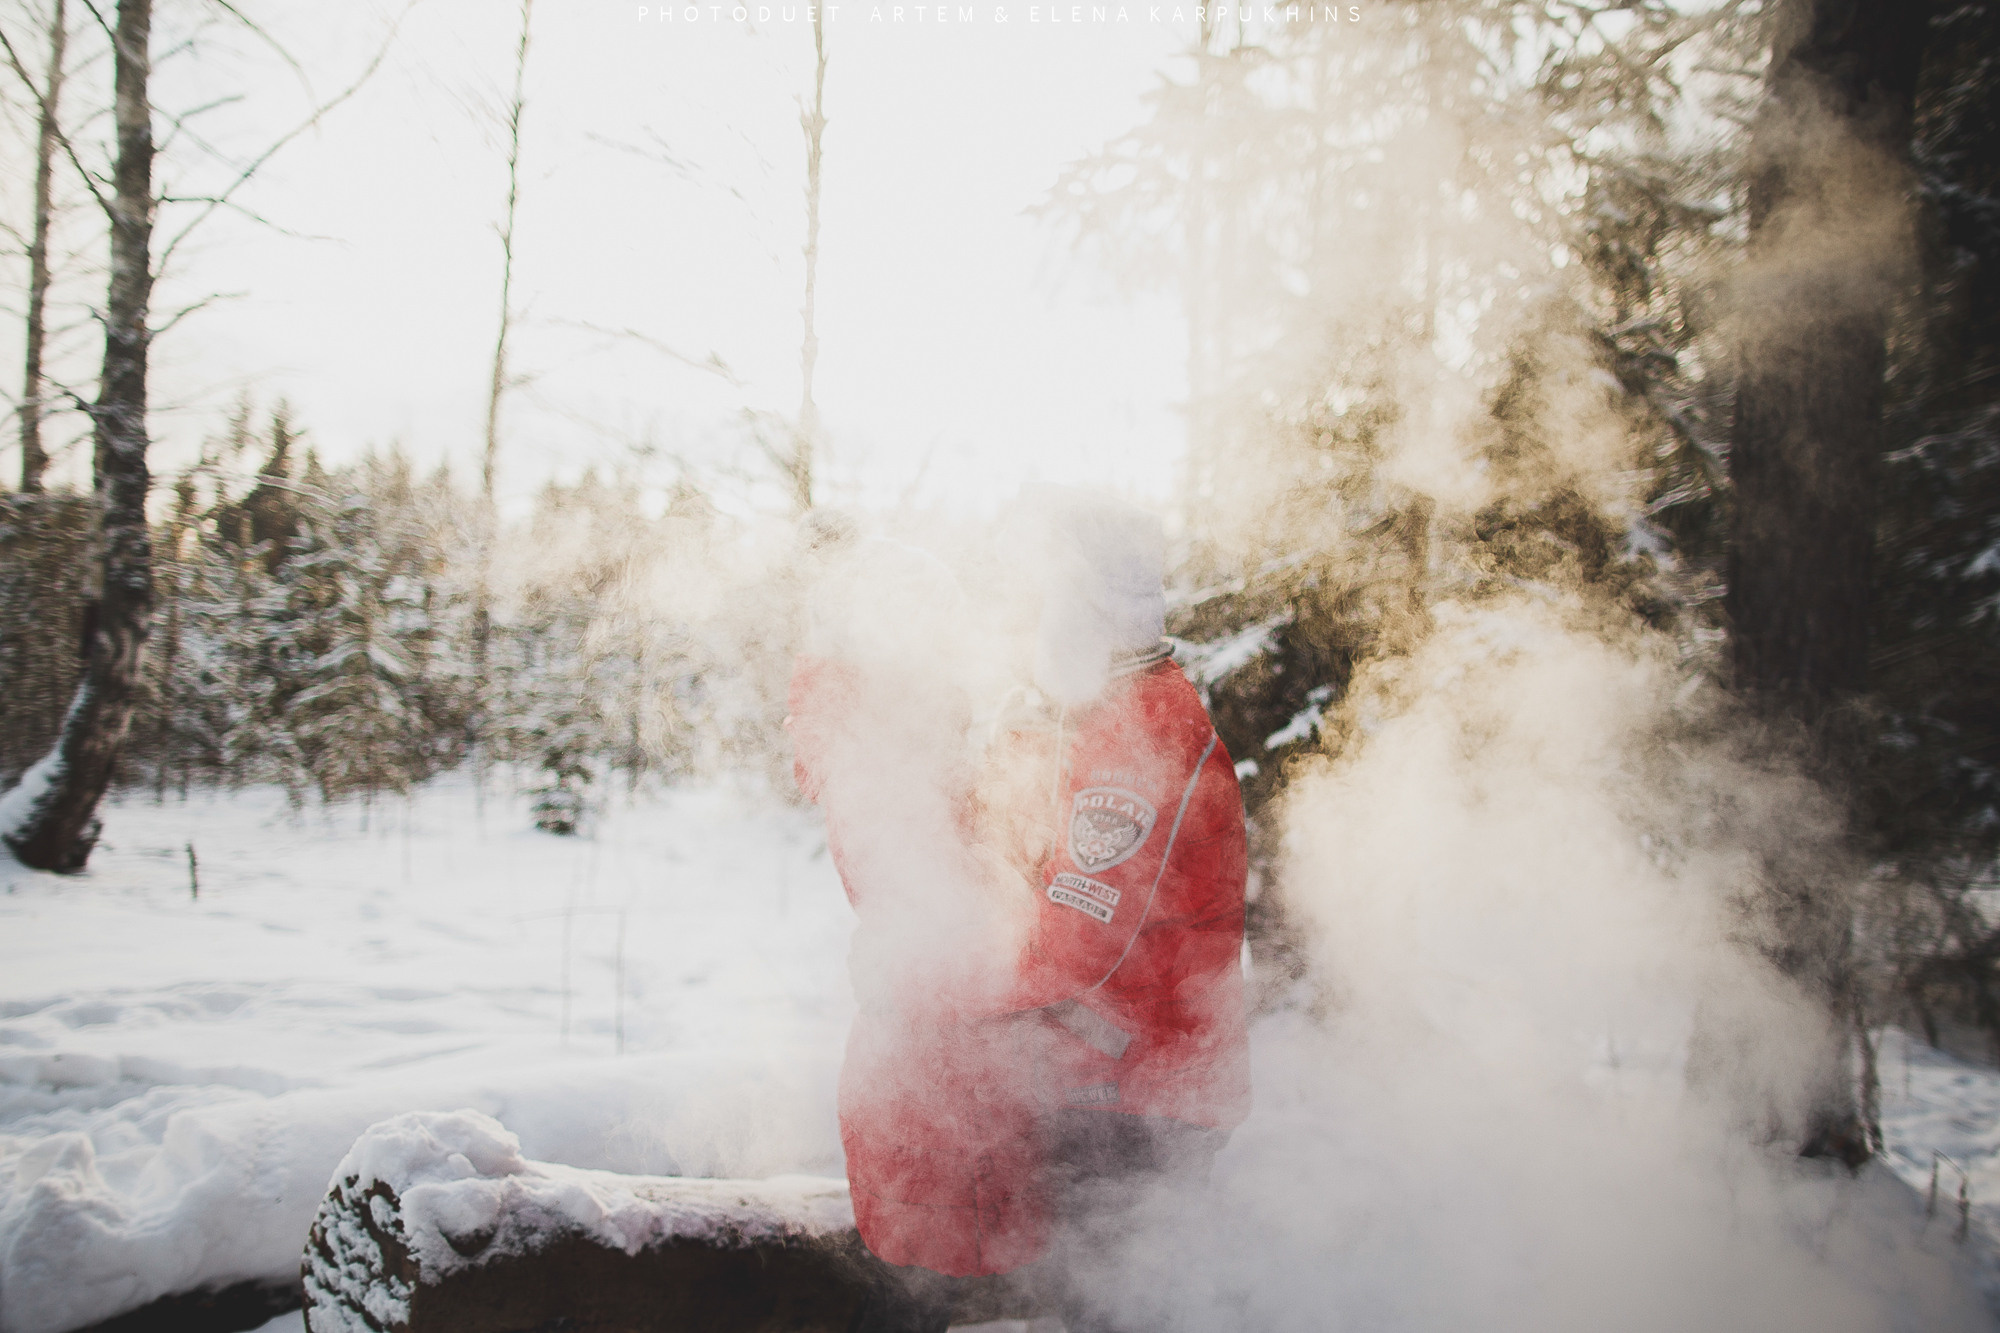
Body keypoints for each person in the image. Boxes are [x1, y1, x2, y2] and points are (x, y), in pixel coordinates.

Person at [788, 494, 1250, 1333]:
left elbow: (1078, 944)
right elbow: (1004, 862)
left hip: (1138, 1099)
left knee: (1106, 1305)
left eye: (1041, 602)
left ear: (1083, 612)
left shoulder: (1136, 735)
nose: (1023, 624)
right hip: (1088, 1089)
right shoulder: (1086, 719)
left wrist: (926, 981)